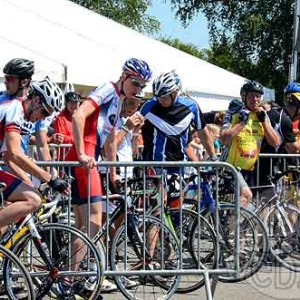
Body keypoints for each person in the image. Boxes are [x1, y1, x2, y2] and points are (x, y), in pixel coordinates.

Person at [0, 58, 68, 230]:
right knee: (33, 200)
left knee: (5, 221)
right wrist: (50, 178)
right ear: (36, 100)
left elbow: (8, 155)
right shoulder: (14, 107)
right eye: (44, 112)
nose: (43, 118)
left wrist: (29, 182)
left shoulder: (17, 108)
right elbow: (15, 153)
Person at [140, 70, 216, 208]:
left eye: (164, 97)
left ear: (175, 93)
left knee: (175, 209)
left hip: (178, 166)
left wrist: (213, 157)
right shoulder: (149, 106)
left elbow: (203, 131)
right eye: (158, 97)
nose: (160, 100)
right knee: (159, 209)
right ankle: (154, 228)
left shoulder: (191, 106)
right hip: (154, 165)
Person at [220, 80, 281, 206]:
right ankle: (234, 226)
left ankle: (232, 226)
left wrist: (264, 121)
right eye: (251, 95)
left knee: (247, 206)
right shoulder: (234, 113)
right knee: (246, 196)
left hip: (248, 169)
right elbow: (224, 139)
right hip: (231, 167)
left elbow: (275, 142)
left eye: (258, 96)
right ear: (244, 96)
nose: (255, 99)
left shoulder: (262, 115)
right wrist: (241, 123)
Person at [53, 91, 81, 160]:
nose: (74, 106)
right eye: (71, 103)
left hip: (79, 157)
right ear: (66, 104)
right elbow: (61, 139)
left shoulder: (83, 117)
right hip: (65, 159)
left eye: (76, 103)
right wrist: (79, 139)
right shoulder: (60, 119)